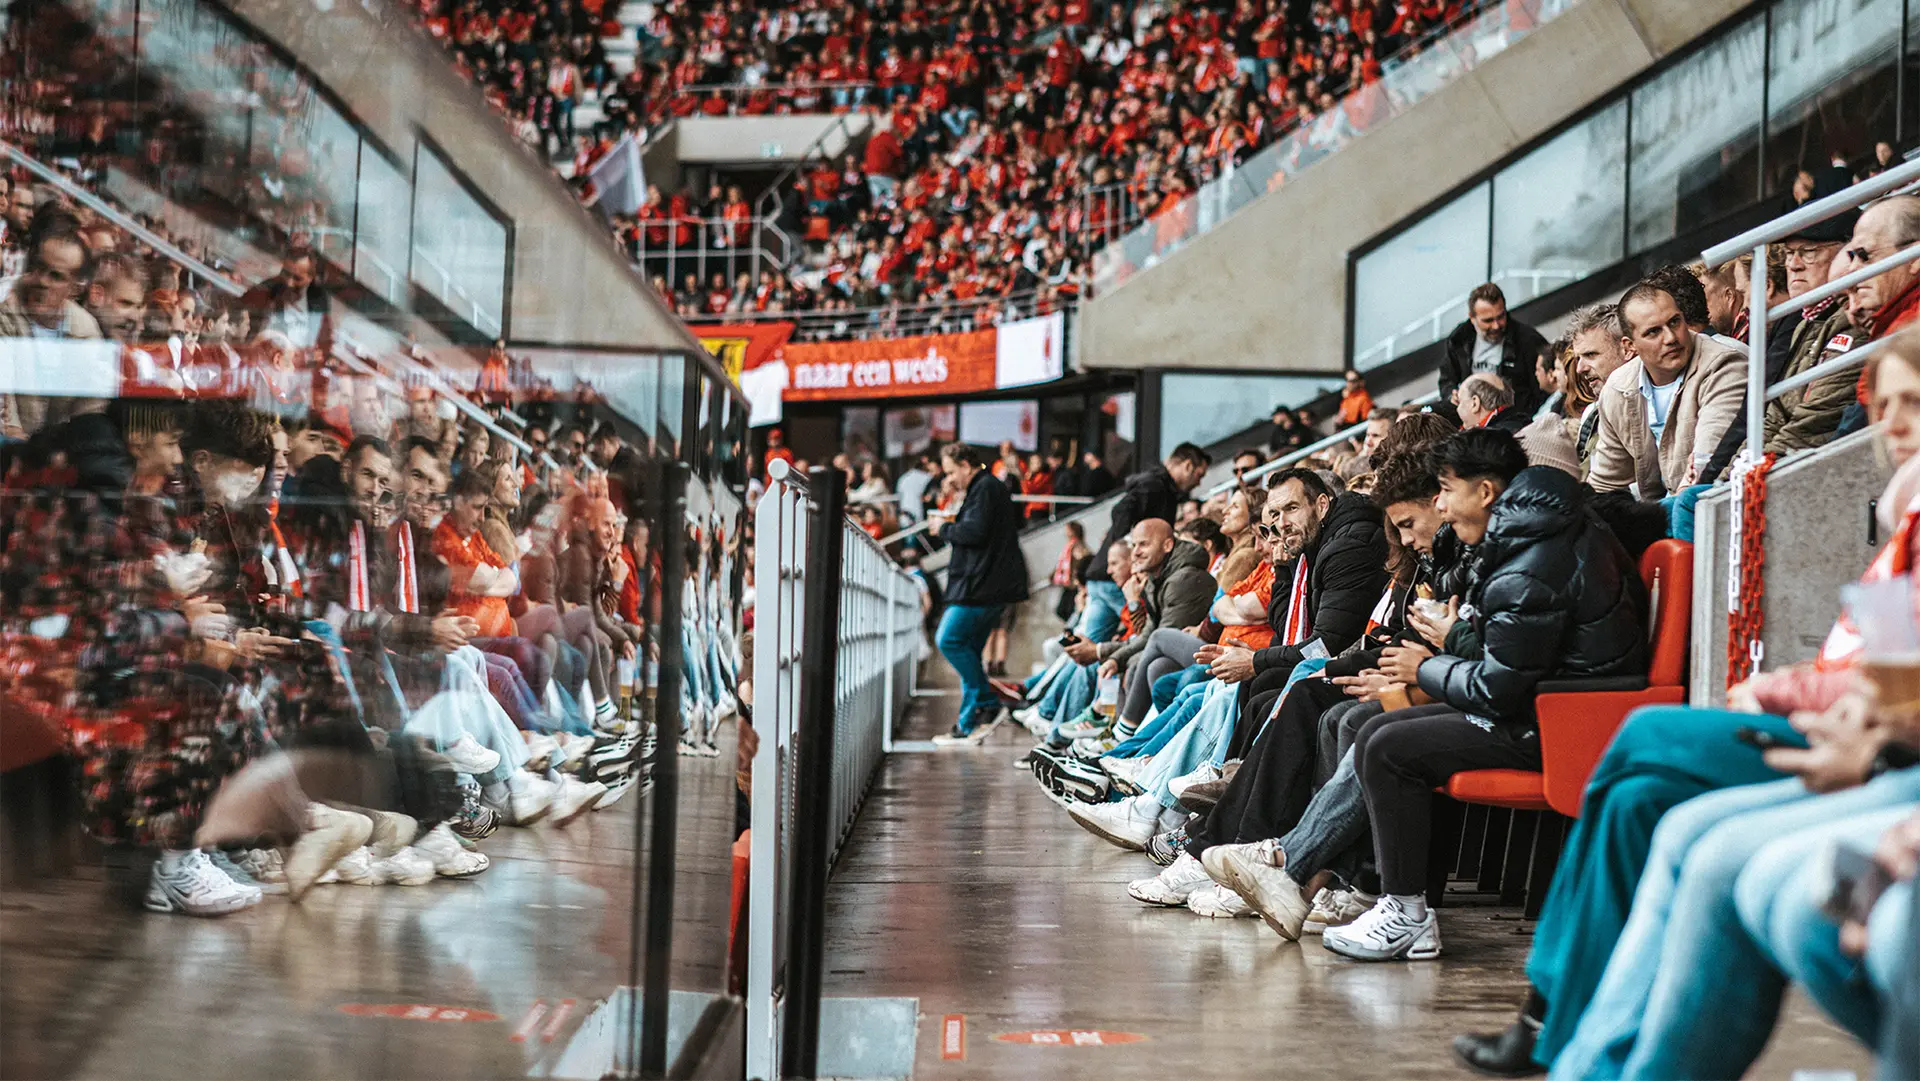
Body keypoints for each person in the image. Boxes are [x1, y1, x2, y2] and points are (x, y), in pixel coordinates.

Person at [1451, 329, 1920, 1077]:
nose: (1891, 421)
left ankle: (1558, 1028)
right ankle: (1557, 1030)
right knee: (1635, 799)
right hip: (1840, 720)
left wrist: (1775, 687)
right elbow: (1878, 666)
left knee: (1647, 736)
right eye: (1882, 402)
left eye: (1912, 403)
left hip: (1863, 742)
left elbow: (1894, 686)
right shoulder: (1903, 519)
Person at [1317, 428, 1647, 962]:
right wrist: (1451, 644)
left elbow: (1497, 688)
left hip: (1562, 722)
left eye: (1447, 490)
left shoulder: (1535, 554)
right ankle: (1397, 904)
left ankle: (1405, 912)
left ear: (1487, 491)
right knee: (1376, 728)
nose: (1442, 506)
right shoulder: (1529, 536)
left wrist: (1428, 667)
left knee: (1388, 746)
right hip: (1542, 704)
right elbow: (1504, 656)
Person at [1587, 278, 1748, 500]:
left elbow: (1707, 467)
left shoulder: (1724, 364)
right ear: (1629, 346)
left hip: (1716, 502)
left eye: (1674, 322)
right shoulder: (1617, 388)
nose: (1671, 338)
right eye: (1653, 332)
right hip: (1664, 509)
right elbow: (1605, 483)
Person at [929, 443, 1029, 745]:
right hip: (984, 584)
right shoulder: (984, 488)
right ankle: (969, 723)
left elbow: (974, 532)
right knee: (969, 649)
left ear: (965, 465)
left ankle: (986, 703)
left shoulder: (985, 488)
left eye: (950, 472)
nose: (949, 478)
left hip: (981, 586)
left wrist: (943, 528)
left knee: (949, 639)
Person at [1080, 443, 1211, 643]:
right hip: (1117, 580)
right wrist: (1128, 557)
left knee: (1090, 646)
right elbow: (1121, 511)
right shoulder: (1155, 486)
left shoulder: (1158, 486)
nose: (1198, 483)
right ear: (1187, 466)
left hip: (1103, 576)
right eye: (1199, 475)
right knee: (1144, 635)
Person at [1438, 283, 1550, 415]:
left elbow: (1546, 386)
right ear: (1472, 318)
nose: (1496, 326)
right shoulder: (1459, 340)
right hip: (1472, 417)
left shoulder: (1528, 340)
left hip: (1515, 419)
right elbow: (1447, 380)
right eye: (1488, 320)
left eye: (1501, 317)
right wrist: (1451, 395)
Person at [237, 246, 331, 351]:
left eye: (297, 278)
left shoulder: (317, 308)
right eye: (286, 273)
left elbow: (321, 346)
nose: (289, 283)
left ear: (312, 278)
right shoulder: (264, 290)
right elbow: (237, 317)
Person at [1455, 372, 1526, 433]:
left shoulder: (1486, 440)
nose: (1457, 409)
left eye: (1460, 401)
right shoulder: (1524, 424)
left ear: (1475, 404)